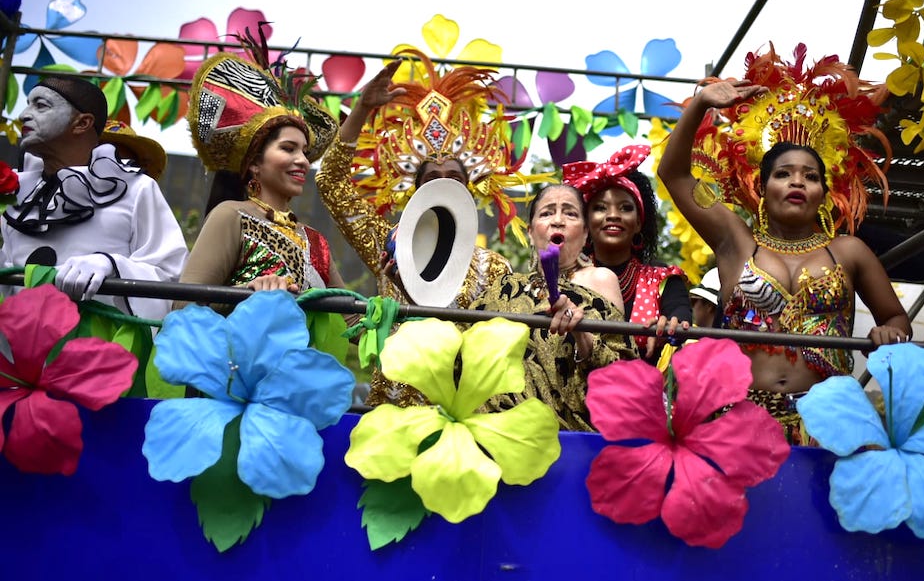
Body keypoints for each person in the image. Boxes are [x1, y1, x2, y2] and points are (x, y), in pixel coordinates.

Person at [657, 44, 911, 443]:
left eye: (810, 176)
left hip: (830, 425)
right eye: (784, 174)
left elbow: (896, 320)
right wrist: (701, 105)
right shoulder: (735, 242)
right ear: (762, 186)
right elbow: (674, 175)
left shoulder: (849, 251)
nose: (797, 181)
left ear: (824, 193)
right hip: (740, 423)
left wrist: (889, 334)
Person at [316, 49, 546, 406]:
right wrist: (362, 108)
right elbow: (330, 182)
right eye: (432, 178)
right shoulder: (388, 242)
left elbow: (495, 347)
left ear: (469, 188)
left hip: (462, 411)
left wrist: (411, 297)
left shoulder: (493, 266)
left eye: (454, 177)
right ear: (416, 190)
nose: (443, 184)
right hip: (392, 407)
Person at [1, 76, 187, 321]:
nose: (24, 114)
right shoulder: (16, 192)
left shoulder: (137, 188)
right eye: (28, 103)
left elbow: (171, 274)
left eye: (41, 105)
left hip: (99, 351)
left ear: (83, 123)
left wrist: (112, 265)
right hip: (18, 351)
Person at [176, 40, 344, 304]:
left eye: (304, 151)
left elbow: (351, 320)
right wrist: (247, 291)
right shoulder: (231, 215)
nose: (302, 160)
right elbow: (183, 306)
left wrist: (399, 288)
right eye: (288, 149)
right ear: (255, 162)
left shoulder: (315, 241)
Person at [469, 183, 636, 431]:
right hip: (498, 434)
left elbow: (623, 371)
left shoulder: (600, 279)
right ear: (530, 232)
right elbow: (458, 343)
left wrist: (582, 334)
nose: (557, 220)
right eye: (547, 213)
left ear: (586, 233)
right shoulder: (504, 287)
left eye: (570, 213)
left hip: (569, 437)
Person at [563, 144, 691, 361]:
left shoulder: (664, 280)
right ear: (585, 224)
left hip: (645, 391)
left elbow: (681, 314)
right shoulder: (566, 280)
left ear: (639, 223)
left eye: (625, 208)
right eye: (600, 208)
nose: (613, 215)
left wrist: (673, 325)